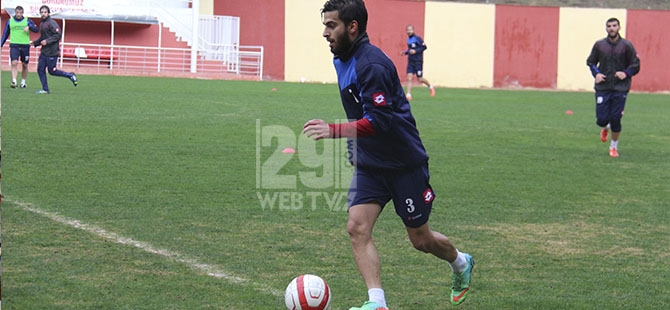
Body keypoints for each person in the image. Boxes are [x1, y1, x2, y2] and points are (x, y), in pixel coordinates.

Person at [303, 1, 474, 309]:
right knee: (357, 227)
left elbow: (379, 121)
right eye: (325, 26)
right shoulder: (342, 57)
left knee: (421, 240)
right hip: (370, 164)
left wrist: (335, 130)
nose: (325, 33)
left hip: (403, 163)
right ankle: (377, 302)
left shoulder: (372, 65)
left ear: (352, 27)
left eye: (332, 26)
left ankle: (461, 263)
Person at [586, 17, 640, 158]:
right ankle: (605, 127)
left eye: (614, 25)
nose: (611, 28)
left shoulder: (627, 46)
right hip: (603, 87)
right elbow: (591, 62)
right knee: (601, 119)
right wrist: (596, 74)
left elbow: (635, 65)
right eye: (609, 26)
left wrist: (625, 73)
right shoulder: (599, 45)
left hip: (620, 88)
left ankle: (613, 147)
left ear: (619, 28)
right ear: (606, 28)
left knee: (616, 118)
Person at [31, 5, 78, 94]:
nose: (43, 14)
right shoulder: (42, 24)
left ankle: (70, 75)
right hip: (44, 51)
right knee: (40, 69)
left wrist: (47, 41)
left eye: (45, 12)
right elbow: (43, 37)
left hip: (52, 52)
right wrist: (35, 43)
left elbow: (57, 35)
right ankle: (45, 89)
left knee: (52, 71)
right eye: (42, 12)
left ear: (48, 13)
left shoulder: (52, 23)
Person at [1, 6, 39, 88]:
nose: (18, 14)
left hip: (25, 46)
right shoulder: (10, 21)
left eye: (20, 13)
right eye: (17, 13)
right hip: (14, 45)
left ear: (23, 13)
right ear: (15, 12)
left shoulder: (27, 21)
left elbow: (36, 29)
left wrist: (30, 27)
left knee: (25, 64)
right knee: (14, 63)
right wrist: (1, 44)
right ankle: (14, 81)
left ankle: (23, 82)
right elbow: (5, 34)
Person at [401, 24, 435, 101]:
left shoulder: (418, 39)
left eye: (410, 30)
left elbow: (424, 47)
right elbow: (410, 50)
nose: (409, 31)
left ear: (413, 30)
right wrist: (405, 52)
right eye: (408, 30)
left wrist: (416, 51)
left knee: (420, 79)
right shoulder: (408, 40)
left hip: (418, 62)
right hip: (411, 62)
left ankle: (430, 86)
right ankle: (408, 94)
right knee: (409, 77)